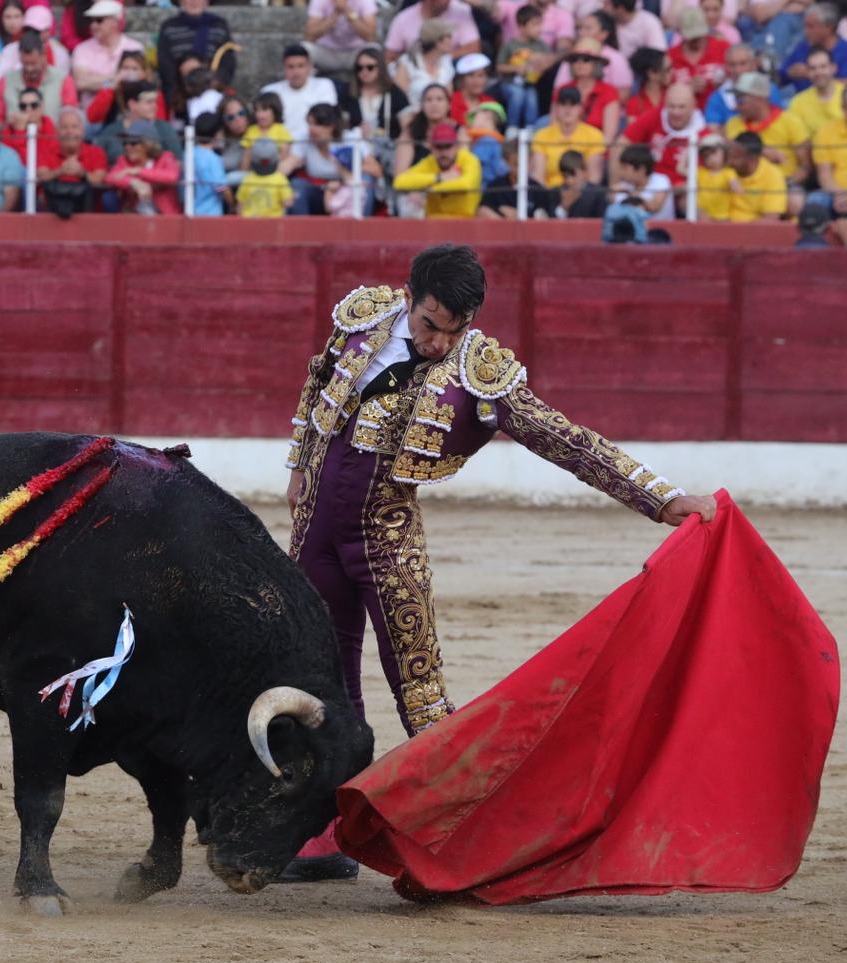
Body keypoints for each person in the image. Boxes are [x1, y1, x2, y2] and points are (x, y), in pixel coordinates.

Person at [278, 244, 717, 881]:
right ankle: (324, 832)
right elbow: (318, 380)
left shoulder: (479, 370)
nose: (437, 342)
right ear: (409, 296)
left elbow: (564, 439)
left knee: (420, 692)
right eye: (429, 325)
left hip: (385, 534)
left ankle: (452, 836)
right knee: (321, 674)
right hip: (315, 527)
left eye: (453, 330)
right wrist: (297, 467)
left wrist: (662, 497)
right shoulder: (363, 317)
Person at [724, 69, 809, 179]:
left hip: (782, 186)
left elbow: (805, 167)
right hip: (742, 187)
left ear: (759, 99)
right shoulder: (733, 123)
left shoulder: (791, 122)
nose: (736, 106)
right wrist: (761, 151)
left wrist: (786, 186)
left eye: (740, 100)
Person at [620, 81, 705, 186]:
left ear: (693, 107)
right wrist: (616, 184)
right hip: (650, 186)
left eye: (682, 107)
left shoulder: (703, 132)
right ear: (665, 105)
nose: (676, 112)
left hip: (683, 191)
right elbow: (622, 142)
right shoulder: (654, 116)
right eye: (672, 106)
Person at [392, 120, 481, 216]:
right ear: (431, 148)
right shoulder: (431, 162)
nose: (443, 152)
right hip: (433, 223)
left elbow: (466, 184)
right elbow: (399, 182)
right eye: (439, 147)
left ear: (456, 146)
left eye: (448, 146)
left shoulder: (469, 160)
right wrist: (438, 177)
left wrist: (429, 189)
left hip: (464, 222)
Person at [155, 0, 234, 106]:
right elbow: (164, 63)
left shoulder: (219, 25)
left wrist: (208, 79)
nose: (194, 2)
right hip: (180, 95)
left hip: (213, 92)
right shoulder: (169, 27)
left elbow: (228, 61)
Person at [0, 28, 73, 125]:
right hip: (15, 137)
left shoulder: (63, 80)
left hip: (52, 138)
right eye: (25, 64)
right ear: (20, 58)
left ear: (44, 57)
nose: (29, 68)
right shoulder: (5, 82)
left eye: (33, 63)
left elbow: (70, 120)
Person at [35, 103, 104, 216]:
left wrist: (82, 173)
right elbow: (41, 176)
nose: (69, 131)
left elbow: (99, 179)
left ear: (83, 130)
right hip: (51, 211)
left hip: (88, 211)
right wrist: (61, 171)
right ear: (57, 131)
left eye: (74, 127)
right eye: (64, 127)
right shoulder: (45, 151)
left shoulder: (96, 152)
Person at [284, 101, 351, 216]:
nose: (311, 129)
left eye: (316, 125)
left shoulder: (350, 140)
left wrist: (341, 179)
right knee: (296, 184)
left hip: (344, 191)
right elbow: (288, 164)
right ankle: (298, 230)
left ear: (331, 126)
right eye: (309, 124)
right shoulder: (304, 139)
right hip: (317, 191)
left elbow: (371, 171)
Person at [532, 85, 605, 186]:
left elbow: (594, 176)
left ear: (581, 108)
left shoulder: (594, 135)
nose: (568, 109)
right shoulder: (541, 136)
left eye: (573, 104)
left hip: (582, 194)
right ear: (556, 108)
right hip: (550, 193)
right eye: (563, 104)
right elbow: (538, 175)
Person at [105, 117, 178, 214]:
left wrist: (139, 171)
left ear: (148, 144)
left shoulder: (165, 157)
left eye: (133, 142)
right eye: (125, 142)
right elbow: (111, 177)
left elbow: (172, 176)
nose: (128, 147)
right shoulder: (123, 161)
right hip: (135, 218)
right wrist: (134, 183)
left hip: (163, 218)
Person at [496, 5, 553, 129]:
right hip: (510, 84)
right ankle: (512, 127)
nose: (539, 29)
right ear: (521, 26)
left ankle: (530, 128)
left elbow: (550, 60)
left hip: (530, 84)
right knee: (517, 94)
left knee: (531, 97)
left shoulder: (540, 45)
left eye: (540, 24)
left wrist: (541, 62)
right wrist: (516, 68)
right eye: (534, 24)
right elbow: (499, 67)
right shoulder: (510, 45)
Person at [70, 0, 139, 98]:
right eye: (91, 20)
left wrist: (93, 81)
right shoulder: (82, 49)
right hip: (91, 112)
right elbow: (79, 83)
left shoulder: (134, 47)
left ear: (115, 22)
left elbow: (135, 82)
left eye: (99, 20)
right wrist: (114, 80)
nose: (93, 25)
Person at [263, 43, 337, 133]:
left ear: (309, 67)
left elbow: (327, 122)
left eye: (301, 66)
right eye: (291, 67)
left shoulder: (324, 86)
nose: (296, 72)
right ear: (284, 68)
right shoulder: (270, 91)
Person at [558, 37, 620, 138]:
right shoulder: (562, 89)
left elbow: (609, 136)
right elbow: (555, 127)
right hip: (564, 148)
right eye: (575, 59)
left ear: (596, 64)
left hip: (597, 150)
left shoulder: (609, 92)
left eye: (586, 59)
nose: (579, 63)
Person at [704, 43, 778, 127]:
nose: (737, 70)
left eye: (743, 63)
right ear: (726, 67)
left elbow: (778, 120)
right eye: (732, 65)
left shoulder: (770, 90)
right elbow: (712, 129)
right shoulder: (716, 98)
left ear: (753, 64)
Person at [779, 2, 846, 92]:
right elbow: (782, 73)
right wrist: (790, 72)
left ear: (828, 27)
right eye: (805, 26)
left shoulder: (844, 51)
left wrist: (811, 74)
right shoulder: (802, 48)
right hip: (798, 101)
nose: (805, 31)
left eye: (810, 26)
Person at [384, 0, 479, 63]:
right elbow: (390, 56)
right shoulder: (403, 19)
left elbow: (473, 48)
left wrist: (441, 61)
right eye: (444, 38)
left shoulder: (461, 10)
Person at [302, 0, 378, 79]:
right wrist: (334, 16)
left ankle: (371, 89)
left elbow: (370, 36)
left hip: (355, 54)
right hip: (327, 53)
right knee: (304, 49)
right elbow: (309, 36)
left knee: (374, 49)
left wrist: (348, 12)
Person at [667, 7, 726, 108]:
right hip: (683, 118)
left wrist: (724, 84)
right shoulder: (670, 56)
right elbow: (664, 93)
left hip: (718, 115)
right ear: (679, 31)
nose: (697, 39)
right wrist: (687, 90)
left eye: (699, 33)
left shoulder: (723, 48)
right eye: (692, 36)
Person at [390, 16, 455, 105]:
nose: (452, 40)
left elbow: (449, 98)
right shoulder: (407, 63)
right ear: (438, 42)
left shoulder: (447, 63)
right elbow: (398, 99)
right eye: (449, 36)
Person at [725, 128, 786, 220]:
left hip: (754, 231)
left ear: (752, 158)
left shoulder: (772, 175)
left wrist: (741, 233)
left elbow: (771, 218)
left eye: (735, 157)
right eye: (729, 156)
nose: (729, 161)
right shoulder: (723, 169)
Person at [786, 47, 845, 136]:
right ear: (807, 72)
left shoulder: (845, 94)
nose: (818, 72)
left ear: (833, 68)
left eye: (823, 67)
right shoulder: (798, 103)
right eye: (813, 68)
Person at [613, 141, 674, 218]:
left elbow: (655, 207)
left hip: (661, 229)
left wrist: (631, 194)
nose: (621, 172)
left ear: (641, 169)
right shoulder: (624, 185)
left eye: (625, 168)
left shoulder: (661, 180)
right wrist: (611, 195)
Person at [236, 136, 292, 216]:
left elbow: (239, 206)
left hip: (249, 222)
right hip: (273, 223)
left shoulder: (247, 179)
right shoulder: (280, 179)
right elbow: (288, 203)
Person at [187, 109, 226, 216]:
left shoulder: (188, 154)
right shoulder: (213, 159)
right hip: (211, 214)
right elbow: (221, 188)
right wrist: (231, 205)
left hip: (190, 211)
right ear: (217, 134)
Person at [551, 148, 608, 216]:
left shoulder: (597, 195)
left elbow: (600, 223)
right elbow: (550, 223)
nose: (569, 181)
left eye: (573, 174)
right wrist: (564, 207)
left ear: (584, 171)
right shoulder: (555, 193)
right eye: (565, 176)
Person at [0, 83, 50, 159]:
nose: (28, 109)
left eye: (33, 105)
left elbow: (39, 161)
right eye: (23, 106)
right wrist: (19, 131)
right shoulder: (9, 131)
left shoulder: (49, 127)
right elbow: (15, 161)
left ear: (42, 106)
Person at [693, 127, 735, 219]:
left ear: (724, 153)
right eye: (706, 155)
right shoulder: (700, 172)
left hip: (724, 217)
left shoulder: (728, 172)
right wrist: (691, 149)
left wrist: (734, 186)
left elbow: (737, 188)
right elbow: (680, 169)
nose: (711, 158)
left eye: (714, 153)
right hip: (703, 217)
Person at [448, 50, 490, 125]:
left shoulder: (490, 103)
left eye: (481, 76)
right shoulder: (450, 101)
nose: (476, 81)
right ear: (462, 79)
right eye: (470, 76)